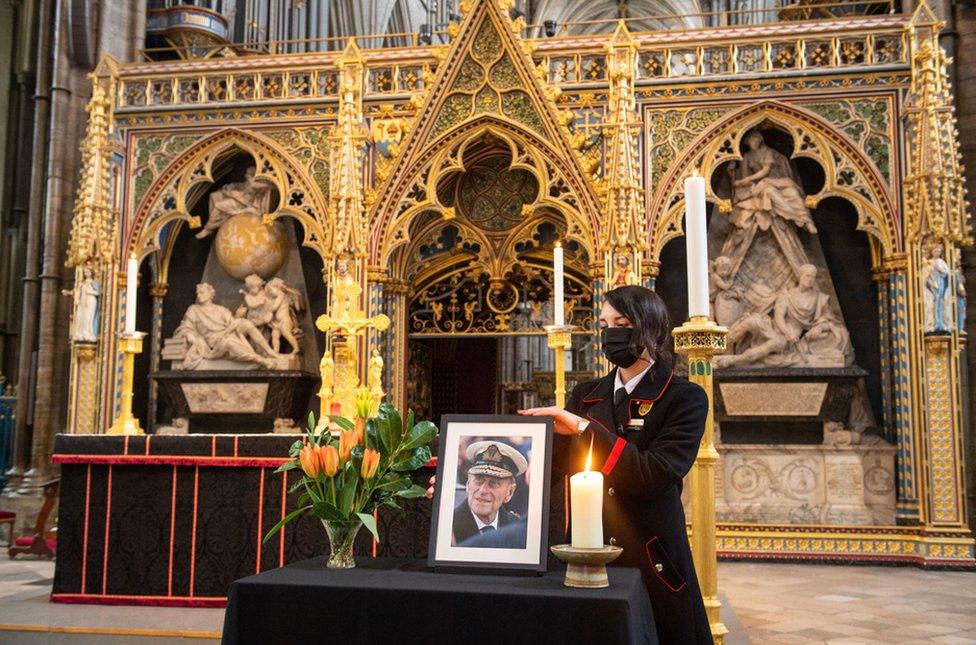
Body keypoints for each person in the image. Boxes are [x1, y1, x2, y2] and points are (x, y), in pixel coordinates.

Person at [520, 285, 712, 644]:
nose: (610, 334)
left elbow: (652, 475)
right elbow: (549, 470)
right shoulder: (585, 395)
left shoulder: (684, 398)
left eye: (621, 323)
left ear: (650, 328)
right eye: (604, 323)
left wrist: (583, 427)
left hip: (649, 553)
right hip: (584, 555)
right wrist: (464, 485)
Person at [452, 441, 528, 549]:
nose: (483, 490)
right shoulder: (448, 526)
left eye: (494, 483)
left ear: (509, 493)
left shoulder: (516, 527)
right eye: (478, 480)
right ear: (468, 484)